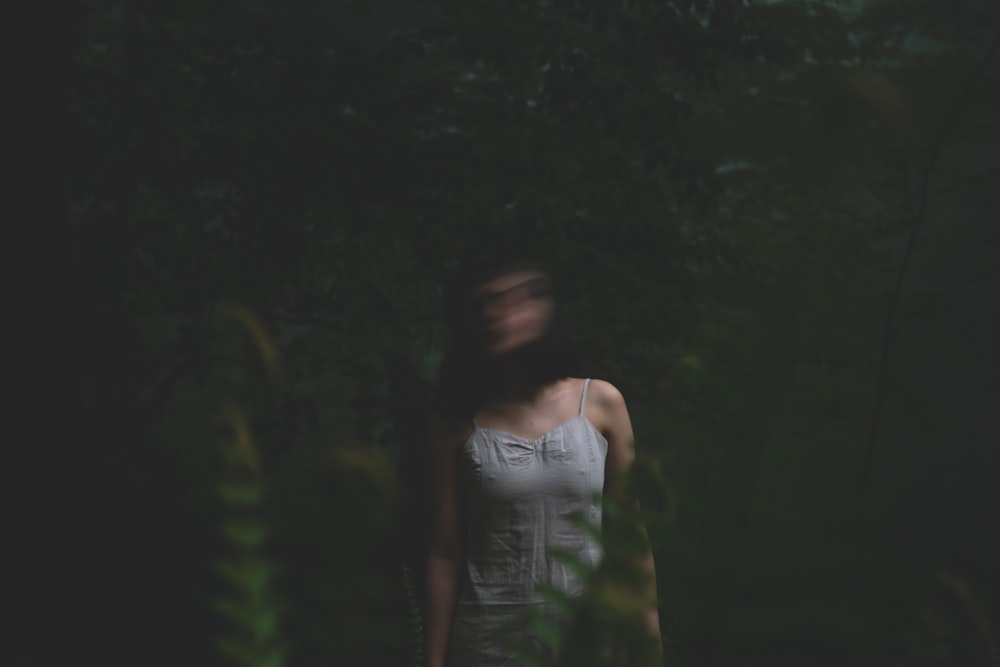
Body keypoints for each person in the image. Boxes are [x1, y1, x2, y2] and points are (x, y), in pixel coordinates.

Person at [425, 253, 662, 666]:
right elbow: (445, 551)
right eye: (485, 303)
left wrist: (651, 647)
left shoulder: (601, 402)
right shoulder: (457, 424)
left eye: (512, 299)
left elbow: (631, 540)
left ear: (544, 309)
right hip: (488, 644)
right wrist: (432, 661)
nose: (496, 314)